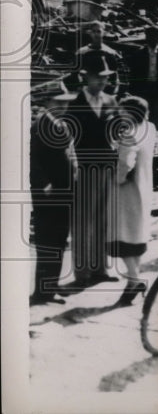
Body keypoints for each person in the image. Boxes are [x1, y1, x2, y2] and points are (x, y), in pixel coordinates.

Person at [66, 55, 120, 287]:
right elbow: (67, 140)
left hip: (106, 167)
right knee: (82, 221)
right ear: (85, 78)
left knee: (103, 219)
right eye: (97, 77)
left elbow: (117, 132)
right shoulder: (75, 104)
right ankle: (82, 272)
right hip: (84, 169)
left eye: (105, 78)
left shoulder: (110, 101)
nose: (101, 82)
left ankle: (100, 269)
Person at [29, 81, 78, 305]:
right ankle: (42, 291)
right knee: (48, 242)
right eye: (59, 102)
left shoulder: (59, 123)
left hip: (64, 190)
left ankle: (50, 286)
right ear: (48, 102)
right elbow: (32, 159)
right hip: (50, 194)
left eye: (66, 102)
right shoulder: (41, 124)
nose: (64, 106)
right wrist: (43, 184)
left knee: (58, 240)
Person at [107, 96, 155, 306]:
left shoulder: (129, 135)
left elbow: (125, 164)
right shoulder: (149, 128)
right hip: (144, 187)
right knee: (136, 236)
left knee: (123, 237)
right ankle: (135, 278)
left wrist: (115, 179)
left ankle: (134, 280)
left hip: (127, 192)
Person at [125, 25, 158, 127]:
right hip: (142, 88)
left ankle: (153, 136)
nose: (152, 39)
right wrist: (132, 90)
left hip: (156, 88)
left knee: (155, 114)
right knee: (139, 113)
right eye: (150, 36)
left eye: (155, 37)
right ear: (146, 38)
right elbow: (133, 73)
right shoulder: (139, 54)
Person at [76, 21, 123, 94]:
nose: (96, 34)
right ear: (90, 33)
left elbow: (114, 75)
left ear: (103, 32)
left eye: (98, 31)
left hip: (105, 90)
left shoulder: (110, 53)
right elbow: (76, 74)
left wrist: (113, 90)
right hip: (86, 90)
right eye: (93, 31)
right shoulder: (82, 52)